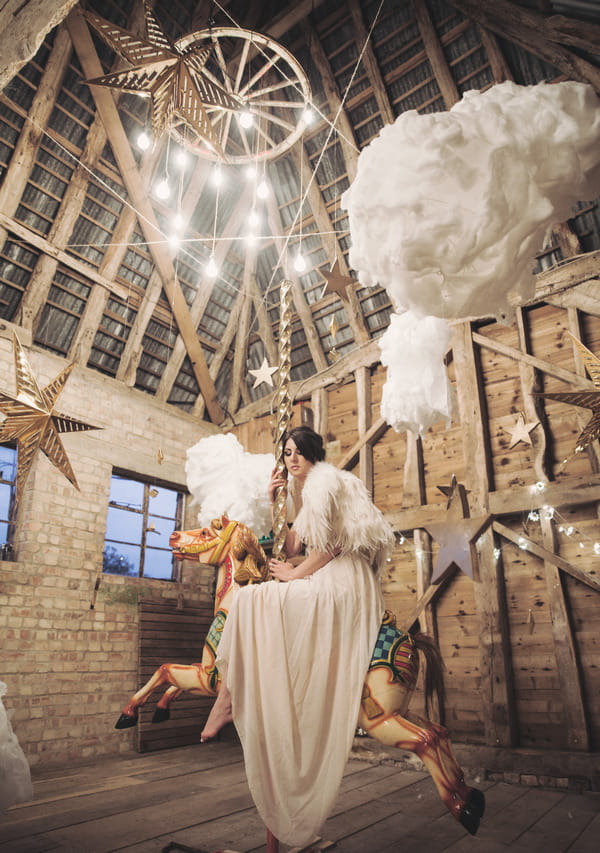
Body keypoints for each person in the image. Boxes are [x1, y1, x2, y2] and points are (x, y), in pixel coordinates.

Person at [201, 425, 395, 847]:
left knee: (253, 602)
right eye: (286, 452)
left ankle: (228, 697)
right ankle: (230, 695)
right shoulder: (306, 495)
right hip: (325, 573)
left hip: (344, 580)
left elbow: (332, 548)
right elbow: (291, 547)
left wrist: (293, 574)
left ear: (313, 453)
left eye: (298, 451)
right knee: (252, 599)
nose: (291, 459)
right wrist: (277, 501)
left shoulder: (328, 481)